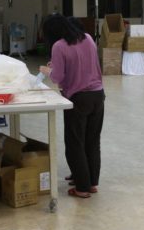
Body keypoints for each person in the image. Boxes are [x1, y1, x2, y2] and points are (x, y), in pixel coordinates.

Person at [39, 14, 105, 198]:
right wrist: (57, 66)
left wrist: (48, 70)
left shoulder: (58, 46)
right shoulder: (88, 38)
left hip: (78, 98)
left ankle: (82, 188)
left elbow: (58, 77)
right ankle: (90, 182)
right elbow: (84, 64)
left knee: (75, 142)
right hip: (97, 96)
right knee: (92, 141)